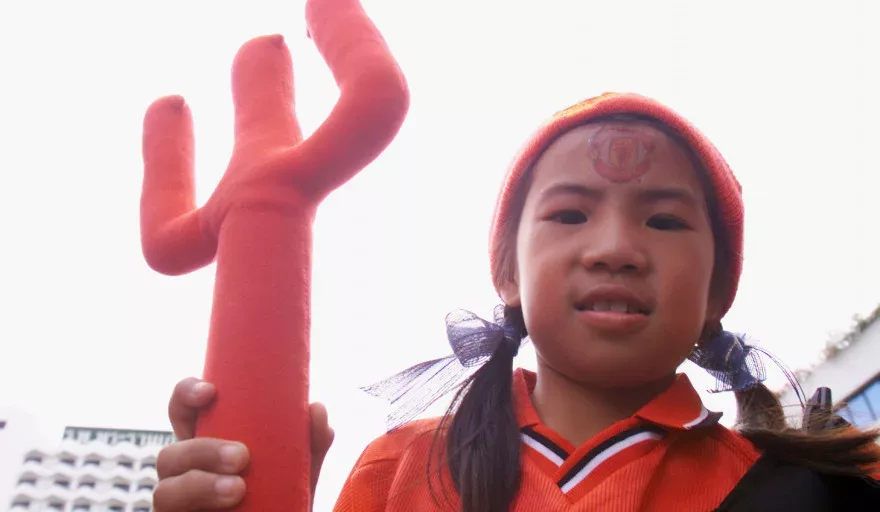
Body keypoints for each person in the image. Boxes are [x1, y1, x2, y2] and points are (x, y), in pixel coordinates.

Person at [153, 93, 880, 512]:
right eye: (570, 214)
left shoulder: (819, 491)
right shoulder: (397, 468)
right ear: (507, 273)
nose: (615, 248)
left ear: (721, 286)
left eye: (664, 220)